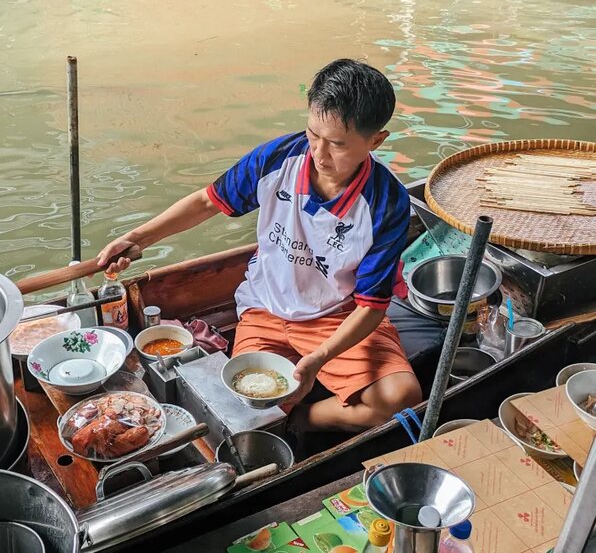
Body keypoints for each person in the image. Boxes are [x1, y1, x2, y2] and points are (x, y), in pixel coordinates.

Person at [97, 59, 422, 432]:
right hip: (265, 308)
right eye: (313, 134)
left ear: (376, 140)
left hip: (337, 316)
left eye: (337, 144)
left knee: (403, 399)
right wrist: (138, 239)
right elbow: (208, 202)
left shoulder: (387, 203)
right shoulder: (278, 158)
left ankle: (304, 420)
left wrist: (318, 359)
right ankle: (282, 417)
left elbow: (371, 307)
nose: (318, 154)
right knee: (245, 414)